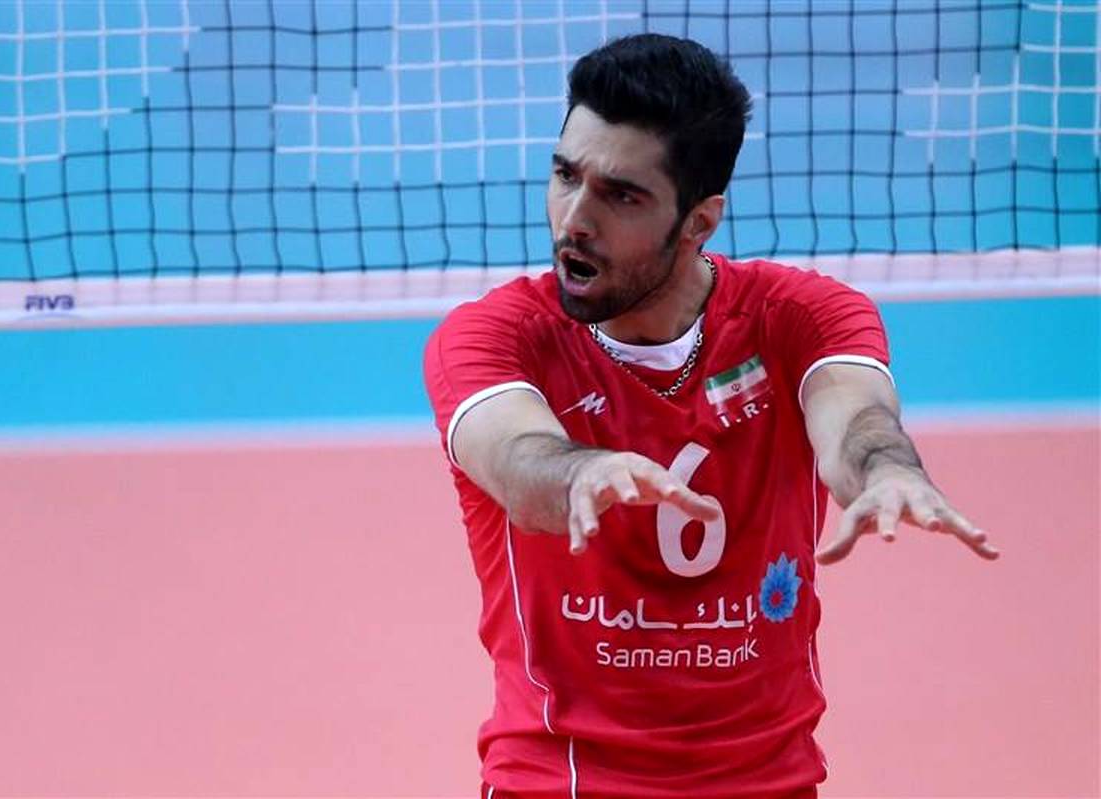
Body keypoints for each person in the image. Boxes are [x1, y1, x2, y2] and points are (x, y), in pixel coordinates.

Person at [422, 33, 999, 799]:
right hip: (563, 781)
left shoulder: (800, 317)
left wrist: (888, 468)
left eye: (621, 195)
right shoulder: (495, 337)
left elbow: (854, 417)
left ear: (699, 221)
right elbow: (517, 459)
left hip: (768, 781)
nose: (574, 220)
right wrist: (583, 471)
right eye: (565, 175)